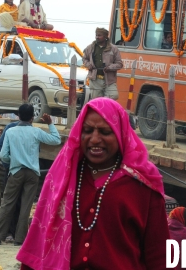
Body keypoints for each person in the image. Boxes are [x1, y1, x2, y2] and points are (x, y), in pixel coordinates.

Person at [17, 97, 169, 270]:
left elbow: (159, 254)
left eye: (105, 132)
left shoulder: (143, 184)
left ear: (120, 134)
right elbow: (39, 239)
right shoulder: (61, 177)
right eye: (88, 130)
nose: (95, 139)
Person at [0, 104, 61, 246]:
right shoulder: (36, 132)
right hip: (32, 174)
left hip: (16, 171)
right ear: (32, 117)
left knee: (6, 204)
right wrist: (50, 124)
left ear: (18, 115)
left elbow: (3, 155)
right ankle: (20, 239)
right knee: (26, 206)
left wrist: (12, 162)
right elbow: (56, 140)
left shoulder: (11, 132)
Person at [82, 28, 123, 100]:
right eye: (96, 35)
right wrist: (88, 65)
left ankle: (104, 103)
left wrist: (110, 67)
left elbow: (119, 64)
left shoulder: (113, 49)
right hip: (95, 79)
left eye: (99, 35)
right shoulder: (91, 47)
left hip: (109, 80)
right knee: (96, 100)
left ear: (105, 37)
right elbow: (84, 58)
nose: (97, 37)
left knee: (113, 95)